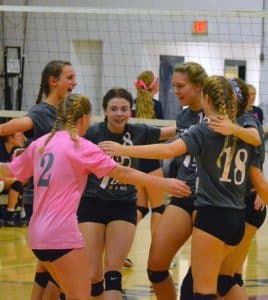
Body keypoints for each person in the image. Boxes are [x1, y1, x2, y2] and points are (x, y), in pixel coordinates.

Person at [0, 94, 186, 300]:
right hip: (62, 236)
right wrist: (164, 183)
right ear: (83, 119)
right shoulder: (80, 146)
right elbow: (122, 172)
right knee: (81, 294)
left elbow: (9, 171)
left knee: (69, 289)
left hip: (36, 236)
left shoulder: (42, 144)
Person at [99, 75, 266, 300]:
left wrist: (123, 150)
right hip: (237, 217)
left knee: (201, 291)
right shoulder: (243, 133)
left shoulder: (205, 130)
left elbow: (168, 151)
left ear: (206, 97)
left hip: (212, 214)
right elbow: (258, 172)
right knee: (223, 281)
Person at [77, 87, 189, 300]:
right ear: (105, 111)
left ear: (131, 112)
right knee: (92, 275)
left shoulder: (138, 132)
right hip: (92, 204)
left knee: (113, 273)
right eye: (114, 109)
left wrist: (200, 122)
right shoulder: (93, 133)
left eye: (124, 109)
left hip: (123, 206)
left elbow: (172, 132)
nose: (119, 113)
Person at [0, 59, 77, 300]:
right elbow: (14, 125)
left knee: (46, 267)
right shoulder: (42, 113)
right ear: (53, 82)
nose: (74, 82)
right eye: (69, 78)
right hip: (46, 201)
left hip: (60, 199)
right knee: (63, 269)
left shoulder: (64, 113)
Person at [133, 71, 164, 237]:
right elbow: (161, 135)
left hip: (135, 165)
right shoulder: (156, 106)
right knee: (159, 209)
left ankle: (118, 247)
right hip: (152, 163)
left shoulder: (132, 104)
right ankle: (158, 253)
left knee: (141, 209)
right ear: (154, 85)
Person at [0, 132, 26, 226]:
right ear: (10, 138)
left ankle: (9, 217)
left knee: (18, 183)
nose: (22, 138)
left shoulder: (16, 151)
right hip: (2, 180)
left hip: (6, 181)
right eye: (19, 135)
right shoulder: (1, 148)